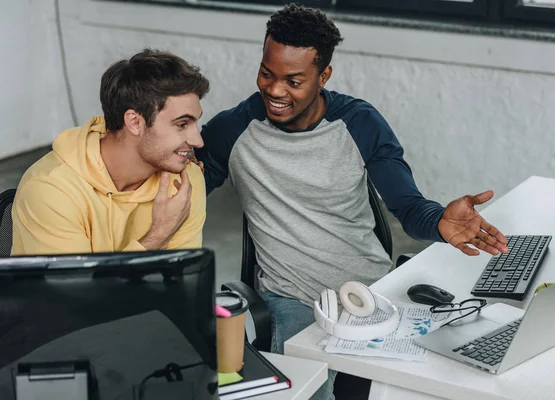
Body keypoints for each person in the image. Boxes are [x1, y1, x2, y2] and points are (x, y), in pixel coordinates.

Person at [195, 4, 508, 399]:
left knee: (428, 383)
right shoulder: (232, 130)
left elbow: (409, 207)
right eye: (267, 73)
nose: (275, 91)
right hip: (292, 299)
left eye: (293, 81)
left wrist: (439, 223)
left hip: (372, 291)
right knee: (304, 392)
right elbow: (184, 193)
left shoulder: (359, 123)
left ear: (323, 75)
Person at [12, 49, 209, 255]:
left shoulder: (185, 182)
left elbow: (181, 282)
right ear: (134, 122)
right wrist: (160, 234)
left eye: (195, 123)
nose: (198, 141)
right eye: (182, 124)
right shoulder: (51, 190)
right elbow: (76, 287)